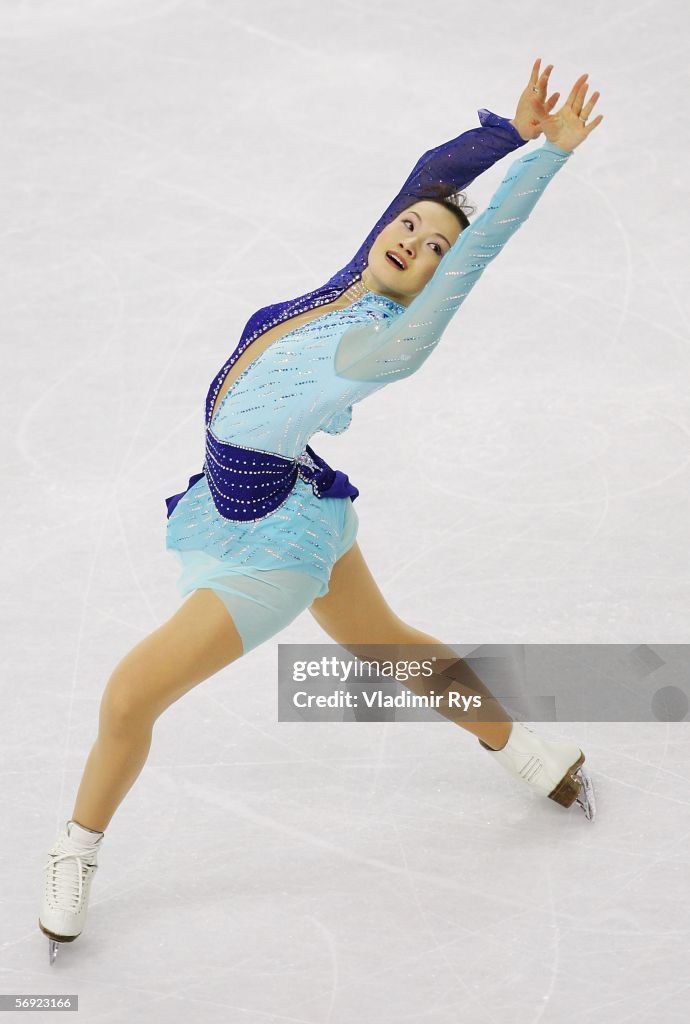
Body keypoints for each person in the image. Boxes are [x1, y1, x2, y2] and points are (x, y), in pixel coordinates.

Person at [39, 59, 603, 962]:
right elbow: (432, 182)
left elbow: (476, 247)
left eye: (428, 253)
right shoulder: (354, 278)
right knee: (393, 647)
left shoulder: (382, 344)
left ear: (430, 284)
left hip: (273, 557)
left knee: (126, 695)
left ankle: (76, 848)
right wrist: (512, 134)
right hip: (276, 501)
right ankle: (528, 754)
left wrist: (544, 163)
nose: (413, 240)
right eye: (408, 228)